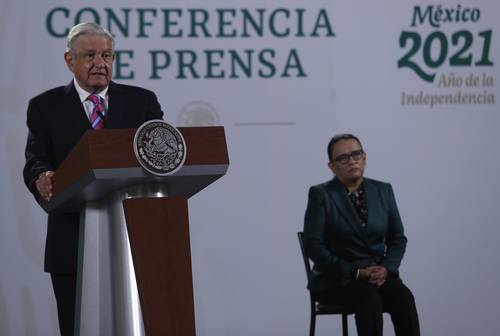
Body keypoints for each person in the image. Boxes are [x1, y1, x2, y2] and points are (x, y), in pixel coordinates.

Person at [23, 22, 164, 335]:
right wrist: (42, 176)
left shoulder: (142, 102)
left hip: (134, 240)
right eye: (90, 56)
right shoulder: (45, 107)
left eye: (107, 55)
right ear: (69, 60)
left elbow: (158, 155)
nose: (101, 63)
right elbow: (36, 160)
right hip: (71, 241)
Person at [303, 134, 420, 336]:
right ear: (332, 166)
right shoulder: (321, 195)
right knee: (368, 297)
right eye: (343, 158)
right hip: (336, 278)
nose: (352, 161)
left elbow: (397, 238)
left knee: (403, 296)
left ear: (364, 157)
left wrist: (387, 268)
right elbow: (313, 246)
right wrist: (356, 272)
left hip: (377, 276)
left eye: (356, 154)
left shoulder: (383, 190)